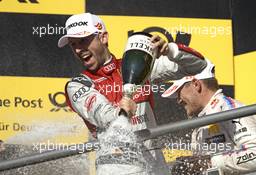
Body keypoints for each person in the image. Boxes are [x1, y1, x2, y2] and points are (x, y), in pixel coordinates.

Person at [58, 12, 207, 174]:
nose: (79, 49)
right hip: (116, 167)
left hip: (155, 166)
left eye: (83, 41)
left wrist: (170, 50)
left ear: (103, 38)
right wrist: (122, 110)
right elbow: (103, 116)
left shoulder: (138, 63)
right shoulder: (77, 85)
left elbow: (198, 66)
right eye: (73, 44)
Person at [161, 57, 256, 174]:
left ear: (196, 84)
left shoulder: (229, 109)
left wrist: (209, 162)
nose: (178, 100)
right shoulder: (201, 119)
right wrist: (192, 164)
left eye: (179, 92)